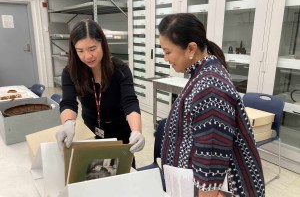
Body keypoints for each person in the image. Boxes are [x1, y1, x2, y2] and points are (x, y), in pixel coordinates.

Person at [158, 13, 265, 197]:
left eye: (168, 51)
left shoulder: (210, 89)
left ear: (191, 48)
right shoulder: (203, 73)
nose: (165, 58)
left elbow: (211, 162)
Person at [55, 19, 145, 164]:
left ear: (102, 44)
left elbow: (130, 102)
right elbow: (68, 102)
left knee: (122, 169)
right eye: (80, 51)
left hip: (119, 131)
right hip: (91, 129)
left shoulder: (120, 70)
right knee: (94, 170)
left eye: (92, 49)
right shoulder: (71, 72)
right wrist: (68, 122)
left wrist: (136, 131)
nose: (87, 56)